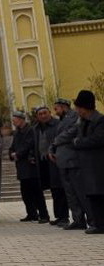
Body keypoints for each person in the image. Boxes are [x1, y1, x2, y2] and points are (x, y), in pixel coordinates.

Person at [49, 98, 91, 230]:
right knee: (70, 193)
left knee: (80, 192)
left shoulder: (74, 117)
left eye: (56, 109)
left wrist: (56, 141)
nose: (55, 112)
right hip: (62, 161)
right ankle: (78, 219)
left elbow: (71, 132)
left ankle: (92, 219)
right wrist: (51, 148)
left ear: (63, 107)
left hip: (73, 160)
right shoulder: (61, 120)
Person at [72, 90, 104, 234]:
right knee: (92, 195)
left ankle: (101, 225)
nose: (77, 111)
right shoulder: (82, 122)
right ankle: (97, 224)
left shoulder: (99, 120)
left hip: (98, 165)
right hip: (87, 166)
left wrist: (79, 142)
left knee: (99, 195)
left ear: (84, 107)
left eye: (78, 108)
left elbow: (97, 139)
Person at [9, 111, 49, 222]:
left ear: (21, 119)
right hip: (21, 167)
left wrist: (18, 154)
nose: (13, 122)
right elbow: (12, 146)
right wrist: (12, 154)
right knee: (25, 192)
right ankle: (31, 213)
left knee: (37, 192)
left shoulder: (31, 130)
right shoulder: (17, 132)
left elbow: (29, 144)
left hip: (30, 166)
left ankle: (44, 215)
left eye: (15, 119)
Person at [34, 106, 68, 226]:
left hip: (55, 161)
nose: (43, 116)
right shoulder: (36, 128)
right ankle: (58, 216)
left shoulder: (58, 125)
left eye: (45, 113)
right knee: (53, 190)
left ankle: (64, 217)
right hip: (43, 162)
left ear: (50, 113)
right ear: (37, 117)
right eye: (40, 114)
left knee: (59, 189)